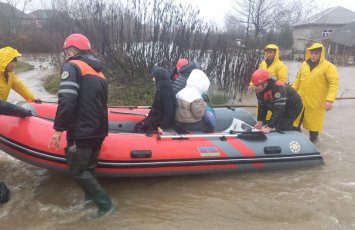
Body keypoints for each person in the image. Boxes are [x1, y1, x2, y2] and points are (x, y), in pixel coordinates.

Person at [48, 33, 115, 217]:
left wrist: (58, 129)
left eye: (66, 50)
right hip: (99, 129)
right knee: (89, 169)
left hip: (82, 130)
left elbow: (67, 99)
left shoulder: (72, 65)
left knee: (77, 170)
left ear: (71, 50)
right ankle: (89, 202)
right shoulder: (99, 71)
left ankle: (105, 205)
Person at [292, 42, 339, 142]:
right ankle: (299, 143)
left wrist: (329, 100)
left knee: (313, 129)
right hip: (300, 101)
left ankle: (313, 145)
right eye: (312, 53)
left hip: (316, 103)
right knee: (295, 124)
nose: (313, 55)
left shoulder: (329, 67)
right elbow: (297, 81)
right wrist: (290, 93)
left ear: (321, 54)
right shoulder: (304, 64)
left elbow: (333, 84)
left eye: (316, 53)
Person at [251, 69, 303, 134]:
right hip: (278, 105)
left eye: (257, 85)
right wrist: (260, 121)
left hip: (293, 107)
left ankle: (294, 136)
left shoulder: (278, 88)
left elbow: (278, 109)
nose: (255, 88)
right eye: (254, 85)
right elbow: (262, 106)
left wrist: (269, 127)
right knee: (277, 123)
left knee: (282, 127)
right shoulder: (259, 90)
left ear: (265, 83)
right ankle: (295, 130)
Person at [134, 66, 176, 133]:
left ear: (159, 78)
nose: (153, 79)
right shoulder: (160, 88)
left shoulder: (166, 91)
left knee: (141, 129)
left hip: (159, 121)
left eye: (154, 77)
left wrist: (162, 126)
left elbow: (169, 111)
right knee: (138, 125)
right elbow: (155, 107)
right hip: (155, 118)